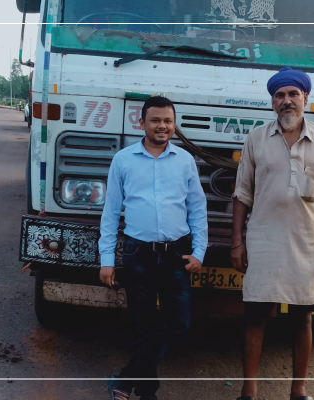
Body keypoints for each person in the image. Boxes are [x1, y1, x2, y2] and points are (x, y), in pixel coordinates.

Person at [230, 67, 314, 400]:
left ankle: (299, 391)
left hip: (307, 244)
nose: (286, 101)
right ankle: (248, 391)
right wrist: (237, 242)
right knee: (255, 317)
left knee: (302, 318)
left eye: (293, 95)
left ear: (305, 99)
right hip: (263, 241)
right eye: (280, 95)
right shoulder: (256, 138)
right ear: (272, 102)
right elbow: (242, 195)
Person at [98, 96, 208, 400]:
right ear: (142, 123)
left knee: (178, 323)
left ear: (174, 125)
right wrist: (107, 260)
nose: (162, 126)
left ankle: (123, 379)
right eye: (156, 120)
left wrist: (199, 251)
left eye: (168, 121)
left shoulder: (184, 160)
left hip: (177, 254)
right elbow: (110, 213)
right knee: (141, 325)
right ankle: (147, 392)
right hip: (138, 254)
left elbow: (197, 208)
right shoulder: (123, 159)